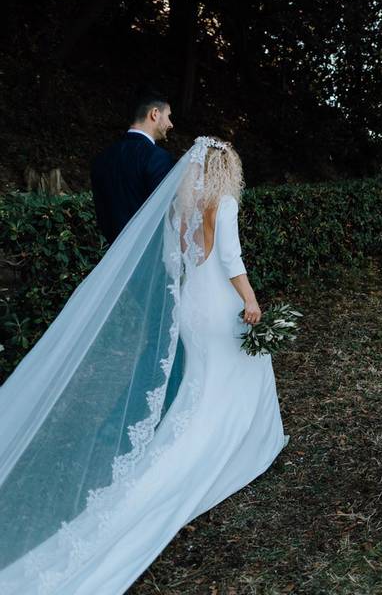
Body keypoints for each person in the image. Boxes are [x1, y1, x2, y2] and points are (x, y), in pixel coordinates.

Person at [0, 137, 286, 594]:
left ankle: (232, 442)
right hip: (218, 309)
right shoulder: (224, 203)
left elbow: (179, 264)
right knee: (232, 380)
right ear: (224, 169)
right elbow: (231, 260)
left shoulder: (181, 208)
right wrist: (251, 301)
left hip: (191, 309)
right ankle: (235, 449)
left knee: (202, 383)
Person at [91, 88, 176, 243]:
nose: (171, 124)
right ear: (155, 113)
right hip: (146, 253)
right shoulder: (157, 158)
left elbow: (103, 214)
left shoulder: (102, 158)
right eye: (168, 116)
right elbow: (163, 214)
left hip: (113, 253)